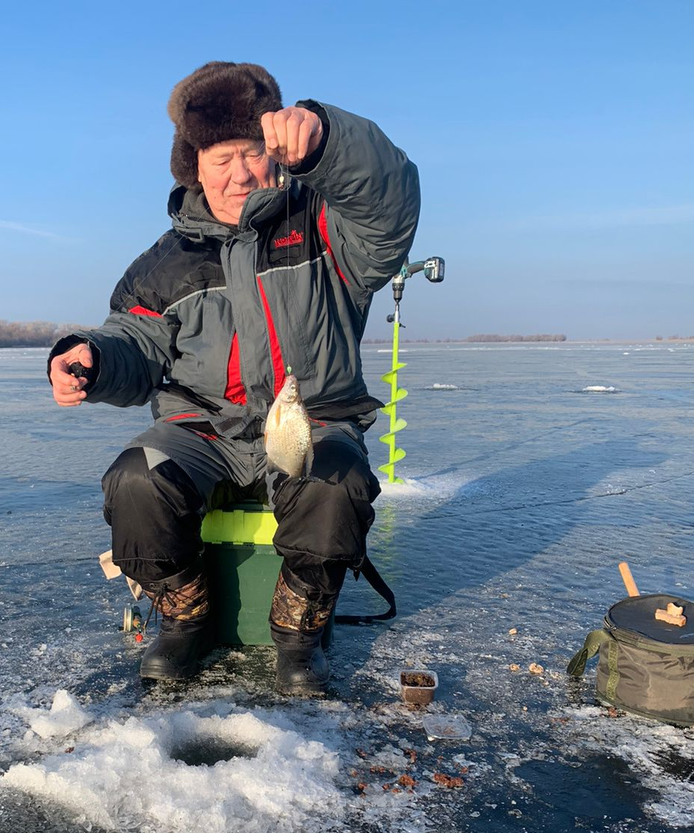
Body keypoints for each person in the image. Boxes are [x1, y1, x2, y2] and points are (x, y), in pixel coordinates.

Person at [48, 61, 420, 694]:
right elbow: (134, 342)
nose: (240, 173)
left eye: (252, 152)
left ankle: (299, 633)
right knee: (136, 481)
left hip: (313, 413)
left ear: (276, 151)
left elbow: (390, 202)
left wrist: (329, 140)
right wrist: (91, 359)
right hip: (203, 427)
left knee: (337, 483)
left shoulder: (329, 227)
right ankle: (184, 617)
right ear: (194, 166)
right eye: (222, 159)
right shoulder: (159, 267)